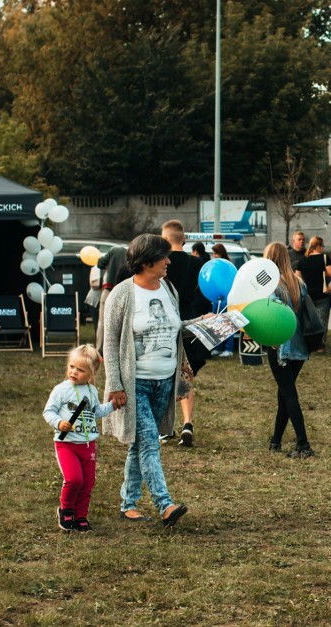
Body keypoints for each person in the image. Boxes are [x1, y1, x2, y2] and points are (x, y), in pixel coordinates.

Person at [103, 233, 204, 527]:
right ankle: (165, 504)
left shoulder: (168, 288)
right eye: (163, 257)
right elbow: (110, 344)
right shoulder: (121, 295)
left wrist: (202, 323)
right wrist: (115, 385)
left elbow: (173, 328)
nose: (169, 261)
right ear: (147, 261)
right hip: (136, 384)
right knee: (150, 442)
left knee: (140, 443)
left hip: (164, 381)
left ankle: (128, 502)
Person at [43, 344, 118, 532]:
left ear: (92, 373)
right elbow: (48, 411)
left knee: (87, 482)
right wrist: (59, 423)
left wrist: (112, 406)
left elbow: (96, 411)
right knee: (74, 479)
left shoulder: (92, 391)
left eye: (81, 370)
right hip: (66, 444)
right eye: (71, 367)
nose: (74, 372)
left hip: (88, 445)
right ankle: (66, 510)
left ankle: (81, 516)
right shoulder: (61, 390)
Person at [161, 220, 210, 447]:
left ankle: (165, 427)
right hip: (190, 319)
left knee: (163, 375)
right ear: (184, 239)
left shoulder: (161, 262)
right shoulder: (197, 262)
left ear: (165, 238)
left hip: (165, 319)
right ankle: (187, 423)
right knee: (186, 375)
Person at [263, 242, 315, 458]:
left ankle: (304, 444)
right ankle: (276, 441)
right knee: (284, 393)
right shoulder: (298, 283)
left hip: (279, 345)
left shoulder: (270, 285)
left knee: (289, 394)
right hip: (299, 346)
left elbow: (269, 315)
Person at [295, 236, 331, 353]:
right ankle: (319, 347)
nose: (323, 249)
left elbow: (298, 279)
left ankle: (308, 345)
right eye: (323, 246)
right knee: (322, 322)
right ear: (319, 246)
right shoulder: (324, 258)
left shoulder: (302, 260)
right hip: (322, 296)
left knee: (308, 322)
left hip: (308, 296)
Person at [96, 245, 127, 354]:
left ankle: (100, 351)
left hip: (109, 289)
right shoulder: (130, 252)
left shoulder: (114, 250)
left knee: (103, 322)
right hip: (124, 291)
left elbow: (100, 263)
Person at [209, 243, 235, 358]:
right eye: (213, 254)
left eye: (216, 253)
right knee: (217, 324)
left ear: (221, 253)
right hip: (216, 297)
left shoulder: (227, 266)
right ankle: (218, 347)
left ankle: (228, 349)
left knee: (227, 324)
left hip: (226, 298)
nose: (214, 256)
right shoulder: (215, 265)